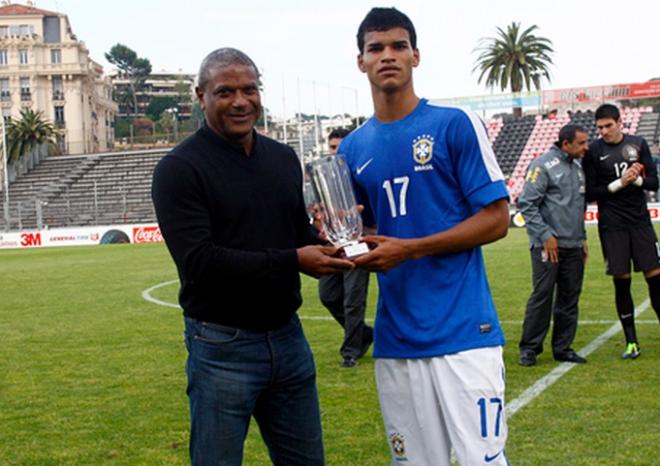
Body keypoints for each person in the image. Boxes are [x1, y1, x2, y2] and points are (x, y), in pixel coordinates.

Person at [151, 48, 354, 466]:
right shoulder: (180, 169)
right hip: (222, 344)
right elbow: (200, 263)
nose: (240, 101)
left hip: (288, 337)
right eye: (225, 91)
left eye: (250, 89)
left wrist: (337, 242)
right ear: (200, 96)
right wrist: (294, 259)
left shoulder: (281, 158)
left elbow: (295, 234)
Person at [341, 8, 510, 465]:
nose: (387, 55)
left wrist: (411, 249)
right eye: (376, 48)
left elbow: (497, 218)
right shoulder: (353, 148)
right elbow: (365, 232)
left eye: (398, 46)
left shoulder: (454, 124)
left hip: (465, 336)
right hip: (396, 342)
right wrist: (343, 237)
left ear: (416, 55)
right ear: (361, 62)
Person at [582, 103, 660, 360]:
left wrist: (636, 179)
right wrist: (620, 182)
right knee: (622, 281)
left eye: (608, 125)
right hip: (612, 226)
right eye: (599, 127)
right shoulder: (593, 151)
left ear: (619, 121)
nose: (603, 131)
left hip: (640, 222)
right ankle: (631, 342)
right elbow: (592, 192)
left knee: (655, 277)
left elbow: (653, 182)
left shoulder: (638, 144)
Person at [517, 124, 589, 366]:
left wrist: (582, 239)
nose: (585, 147)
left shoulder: (578, 167)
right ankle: (529, 348)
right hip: (547, 246)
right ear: (565, 143)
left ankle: (563, 347)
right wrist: (546, 235)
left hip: (574, 244)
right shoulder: (542, 165)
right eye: (581, 143)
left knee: (570, 297)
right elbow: (526, 203)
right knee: (543, 295)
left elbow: (578, 206)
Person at [318, 128, 373, 368]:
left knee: (353, 297)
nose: (336, 152)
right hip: (333, 244)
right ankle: (365, 334)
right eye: (332, 147)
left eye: (340, 147)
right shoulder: (324, 177)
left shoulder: (363, 174)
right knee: (328, 295)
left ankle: (350, 351)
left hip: (358, 242)